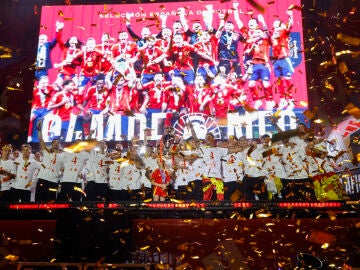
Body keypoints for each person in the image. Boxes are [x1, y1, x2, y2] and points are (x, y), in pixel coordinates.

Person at [271, 10, 295, 109]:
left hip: (284, 59)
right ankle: (282, 100)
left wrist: (290, 15)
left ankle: (291, 100)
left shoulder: (284, 32)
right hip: (276, 61)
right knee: (279, 80)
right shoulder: (272, 36)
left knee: (288, 79)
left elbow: (290, 25)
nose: (276, 28)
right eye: (274, 26)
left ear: (281, 26)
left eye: (278, 26)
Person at [35, 120, 63, 202]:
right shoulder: (46, 152)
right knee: (39, 202)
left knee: (51, 202)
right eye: (54, 142)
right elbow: (41, 140)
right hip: (42, 179)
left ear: (59, 145)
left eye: (57, 142)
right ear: (52, 144)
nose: (56, 143)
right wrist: (39, 130)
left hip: (53, 181)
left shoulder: (63, 156)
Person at [28, 75, 56, 142]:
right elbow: (31, 101)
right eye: (43, 83)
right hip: (38, 110)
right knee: (30, 117)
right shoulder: (35, 90)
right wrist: (33, 108)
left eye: (46, 83)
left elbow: (57, 86)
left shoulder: (50, 88)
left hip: (47, 110)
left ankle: (48, 135)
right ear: (39, 83)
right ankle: (29, 136)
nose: (45, 84)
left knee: (49, 119)